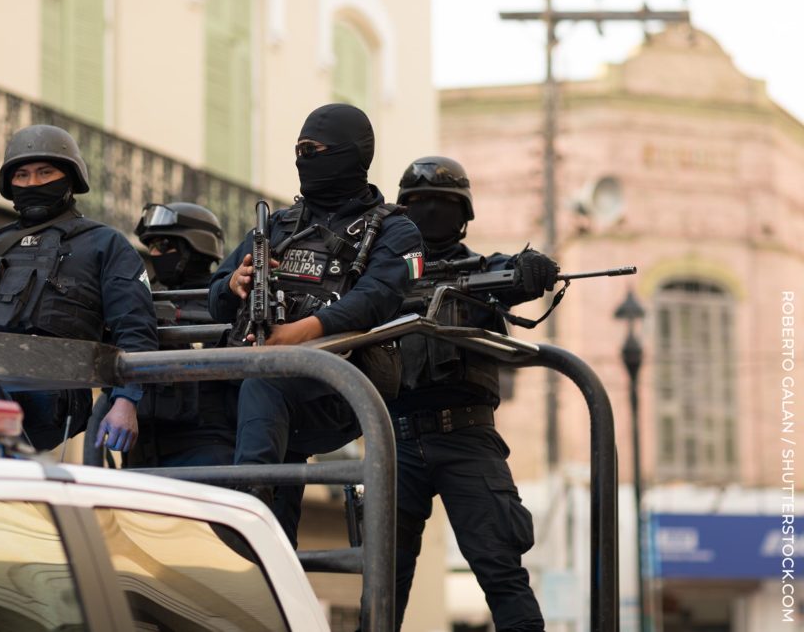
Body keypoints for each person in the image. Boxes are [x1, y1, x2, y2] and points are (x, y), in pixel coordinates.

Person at [208, 103, 424, 542]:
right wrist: (235, 283)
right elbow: (213, 301)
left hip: (342, 386)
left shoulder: (398, 233)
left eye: (315, 149)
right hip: (262, 389)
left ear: (350, 153)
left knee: (266, 384)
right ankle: (262, 556)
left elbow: (377, 298)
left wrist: (299, 336)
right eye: (299, 149)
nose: (304, 158)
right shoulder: (279, 226)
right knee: (192, 393)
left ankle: (245, 515)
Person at [390, 155, 553, 631]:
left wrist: (530, 269)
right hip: (394, 438)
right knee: (382, 579)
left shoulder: (483, 273)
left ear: (462, 214)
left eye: (441, 204)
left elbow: (512, 272)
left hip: (466, 437)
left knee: (502, 573)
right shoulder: (385, 277)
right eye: (419, 204)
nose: (431, 213)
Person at [0, 124, 158, 452]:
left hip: (52, 400)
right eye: (22, 175)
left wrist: (127, 402)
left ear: (70, 178)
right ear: (9, 184)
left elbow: (136, 329)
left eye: (45, 172)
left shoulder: (104, 243)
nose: (33, 183)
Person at [126, 202, 237, 467]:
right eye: (151, 246)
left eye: (164, 245)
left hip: (207, 448)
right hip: (143, 449)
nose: (154, 253)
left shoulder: (228, 301)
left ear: (196, 245)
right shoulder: (145, 300)